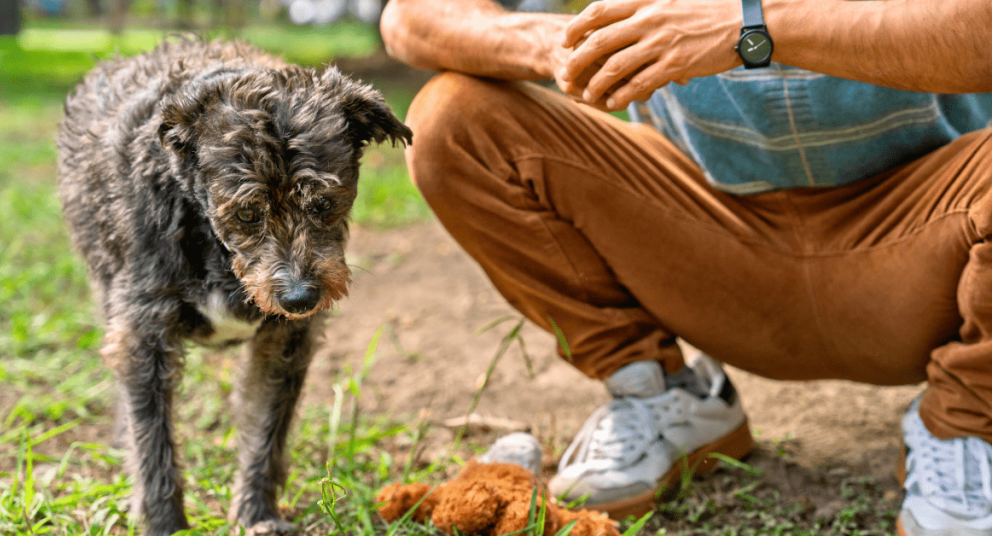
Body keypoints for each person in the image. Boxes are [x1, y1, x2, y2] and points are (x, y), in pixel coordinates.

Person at [378, 0, 992, 534]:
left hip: (931, 250)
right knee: (450, 118)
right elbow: (412, 17)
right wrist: (557, 42)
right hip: (706, 241)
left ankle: (967, 423)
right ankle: (659, 395)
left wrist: (750, 28)